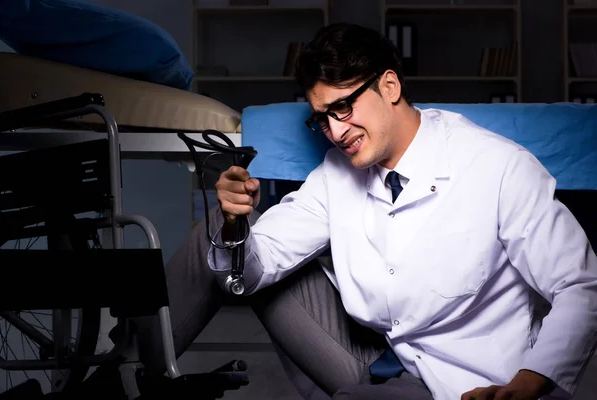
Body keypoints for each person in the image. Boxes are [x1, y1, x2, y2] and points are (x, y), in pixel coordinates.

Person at [84, 22, 596, 400]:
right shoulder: (336, 172)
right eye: (321, 119)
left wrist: (531, 383)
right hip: (375, 358)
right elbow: (258, 266)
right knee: (216, 234)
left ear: (390, 87)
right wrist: (235, 220)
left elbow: (580, 284)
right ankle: (118, 381)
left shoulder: (498, 167)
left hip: (473, 384)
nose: (335, 130)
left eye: (343, 108)